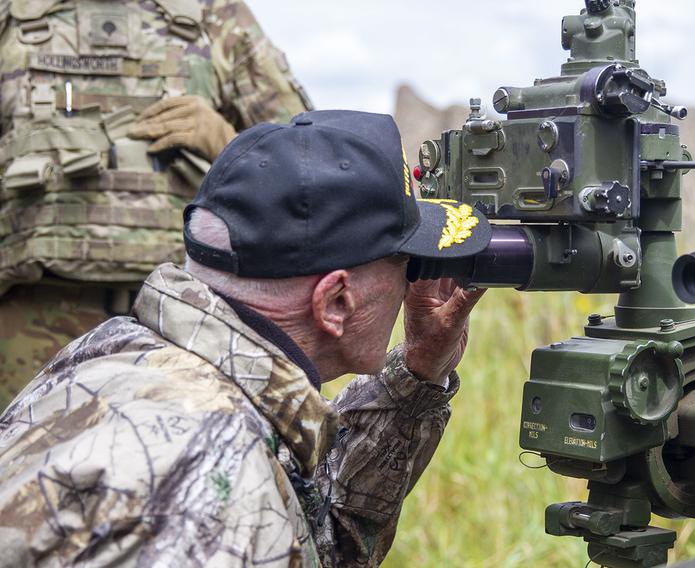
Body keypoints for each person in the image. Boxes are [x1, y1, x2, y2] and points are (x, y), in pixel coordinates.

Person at [0, 110, 492, 567]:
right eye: (404, 265)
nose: (413, 284)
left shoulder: (113, 358)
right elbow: (234, 510)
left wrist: (418, 370)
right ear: (336, 302)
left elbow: (308, 538)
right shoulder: (219, 490)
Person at [0, 0, 313, 410]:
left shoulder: (215, 15)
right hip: (24, 327)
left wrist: (227, 141)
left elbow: (312, 172)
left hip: (183, 324)